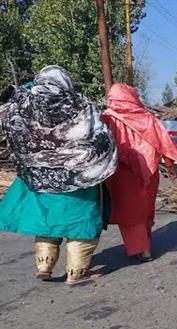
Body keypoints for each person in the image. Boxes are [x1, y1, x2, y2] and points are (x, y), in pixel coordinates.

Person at [0, 65, 118, 286]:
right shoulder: (80, 105)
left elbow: (8, 126)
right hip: (78, 177)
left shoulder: (23, 103)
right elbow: (101, 137)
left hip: (40, 177)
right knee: (80, 224)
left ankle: (44, 266)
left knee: (47, 221)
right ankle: (76, 274)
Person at [101, 83, 177, 262]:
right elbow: (164, 143)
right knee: (145, 209)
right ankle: (144, 244)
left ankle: (143, 248)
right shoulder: (147, 118)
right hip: (149, 171)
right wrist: (170, 166)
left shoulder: (106, 118)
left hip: (121, 173)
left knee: (130, 211)